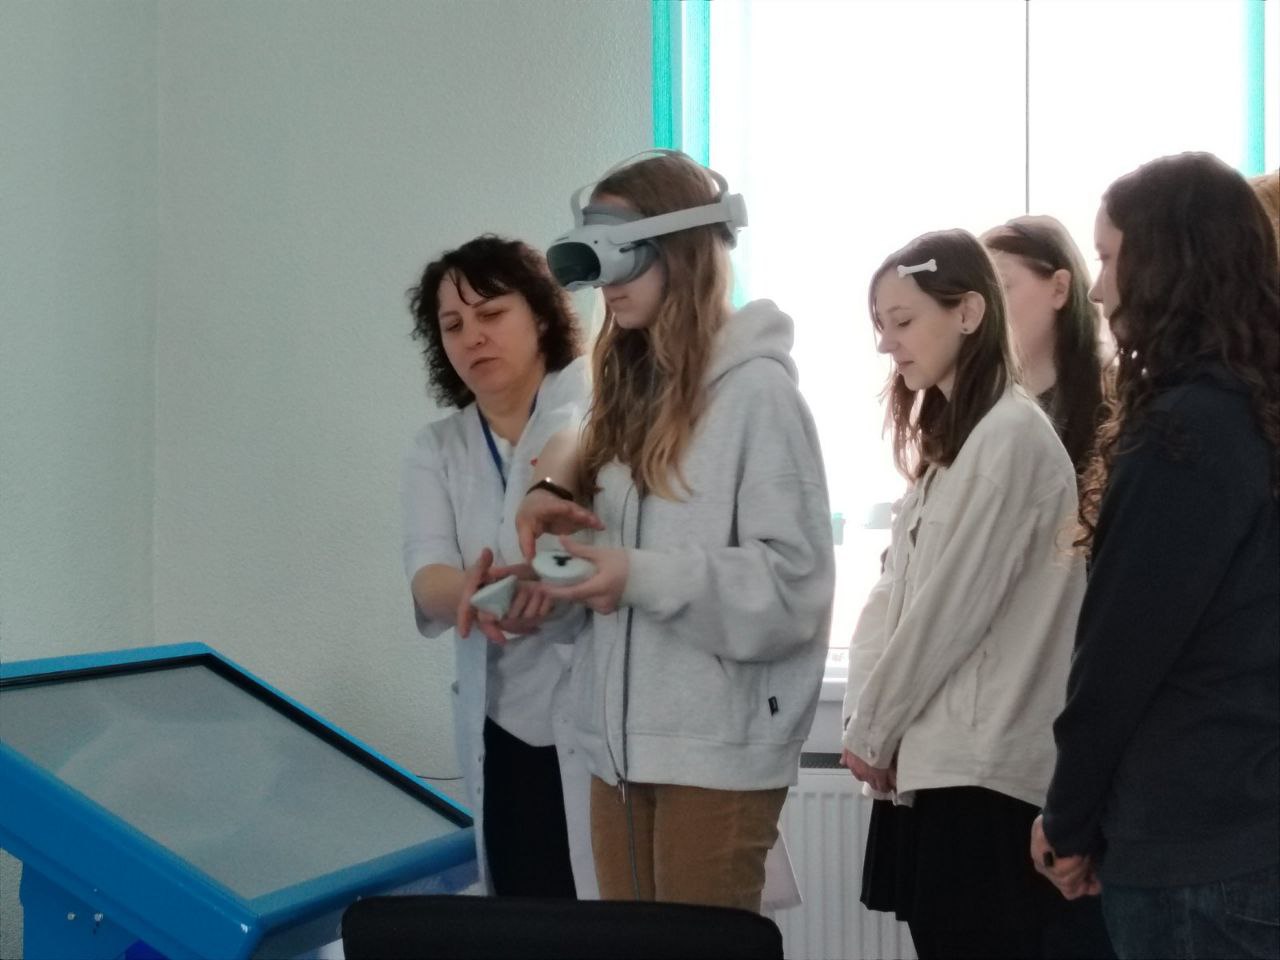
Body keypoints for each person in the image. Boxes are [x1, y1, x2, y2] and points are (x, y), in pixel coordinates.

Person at [482, 150, 834, 912]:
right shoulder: (624, 401)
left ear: (681, 248)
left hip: (714, 756)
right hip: (614, 757)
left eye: (623, 257)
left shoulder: (758, 398)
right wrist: (553, 588)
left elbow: (792, 591)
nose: (607, 286)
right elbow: (613, 586)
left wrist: (636, 574)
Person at [1034, 152, 1280, 960]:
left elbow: (1119, 657)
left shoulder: (1184, 434)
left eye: (1109, 258)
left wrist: (1068, 821)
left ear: (1169, 268)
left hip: (1193, 851)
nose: (1098, 289)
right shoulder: (1256, 415)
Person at [841, 229, 1086, 958]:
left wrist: (873, 729)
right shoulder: (954, 445)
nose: (887, 343)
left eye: (903, 320)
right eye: (880, 324)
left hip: (985, 777)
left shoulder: (1009, 437)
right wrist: (867, 723)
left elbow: (949, 612)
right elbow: (892, 594)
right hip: (939, 765)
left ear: (970, 313)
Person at [400, 234, 596, 898]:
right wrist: (478, 591)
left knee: (616, 926)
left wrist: (554, 578)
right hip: (504, 724)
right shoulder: (439, 447)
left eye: (490, 313)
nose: (473, 337)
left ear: (539, 315)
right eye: (452, 325)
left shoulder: (590, 402)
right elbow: (427, 575)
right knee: (525, 916)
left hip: (603, 716)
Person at [982, 215, 1107, 477]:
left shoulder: (1114, 405)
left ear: (1059, 288)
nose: (983, 310)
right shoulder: (973, 401)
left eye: (1001, 287)